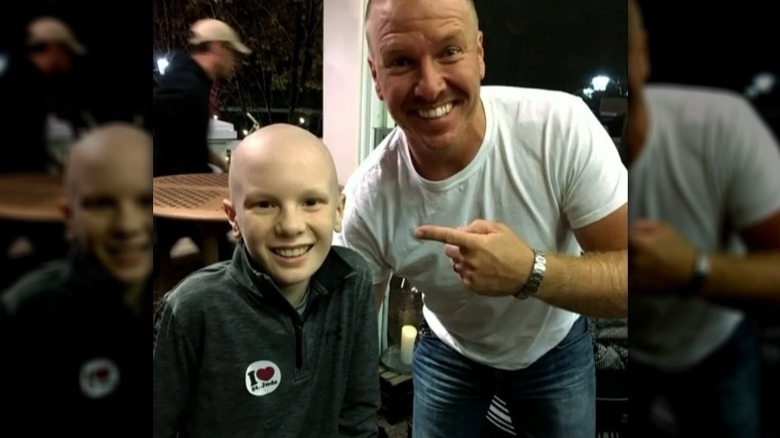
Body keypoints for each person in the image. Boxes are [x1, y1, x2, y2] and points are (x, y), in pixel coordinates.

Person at [335, 0, 628, 436]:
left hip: (555, 344)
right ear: (376, 77)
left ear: (479, 53)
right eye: (401, 62)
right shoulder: (369, 197)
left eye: (449, 52)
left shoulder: (559, 129)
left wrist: (529, 271)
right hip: (449, 346)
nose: (431, 87)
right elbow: (349, 335)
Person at [152, 124, 381, 438]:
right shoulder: (190, 310)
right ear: (233, 218)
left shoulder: (353, 281)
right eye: (265, 204)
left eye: (311, 202)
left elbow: (359, 410)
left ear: (338, 211)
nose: (290, 226)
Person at [627, 1, 780, 436]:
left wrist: (695, 268)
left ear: (643, 54)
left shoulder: (723, 126)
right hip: (624, 353)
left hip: (717, 347)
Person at [0, 123, 154, 437]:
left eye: (144, 201)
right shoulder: (29, 316)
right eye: (101, 204)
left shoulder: (179, 309)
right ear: (69, 217)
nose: (126, 225)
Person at [153, 18, 249, 177]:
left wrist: (222, 166)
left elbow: (188, 142)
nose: (234, 61)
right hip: (173, 193)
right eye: (232, 52)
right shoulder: (188, 88)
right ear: (217, 48)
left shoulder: (192, 81)